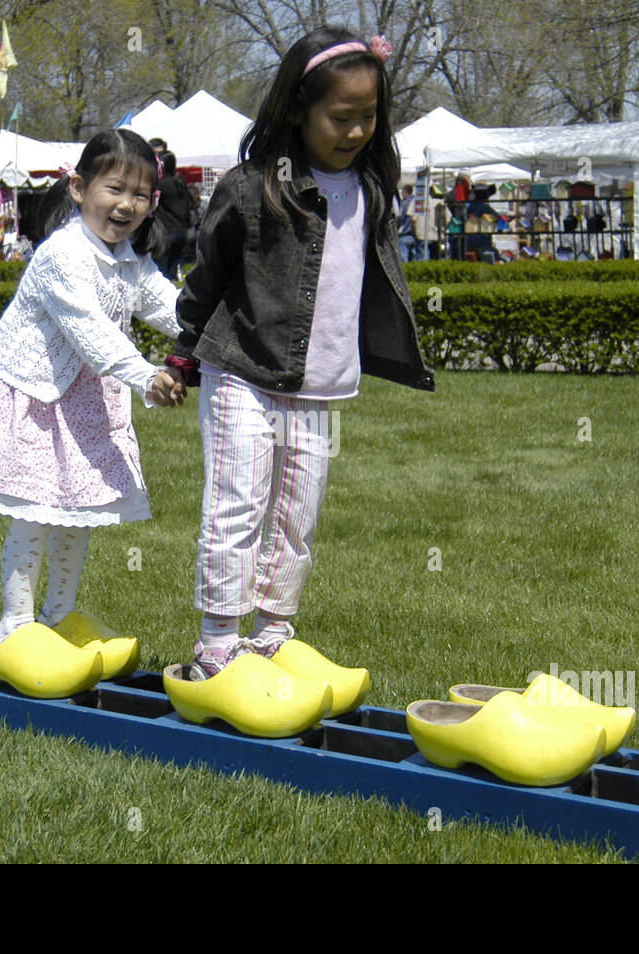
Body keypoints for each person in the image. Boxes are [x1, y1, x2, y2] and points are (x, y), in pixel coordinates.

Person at [171, 26, 435, 679]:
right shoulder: (252, 187)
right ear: (296, 108)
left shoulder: (371, 191)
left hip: (318, 385)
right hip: (241, 371)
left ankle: (273, 635)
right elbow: (206, 278)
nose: (354, 132)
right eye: (339, 118)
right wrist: (184, 353)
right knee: (238, 501)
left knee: (296, 515)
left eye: (367, 118)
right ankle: (216, 642)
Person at [0, 128, 186, 645]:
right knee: (35, 516)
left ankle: (59, 617)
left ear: (153, 202)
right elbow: (91, 332)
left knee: (79, 517)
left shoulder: (127, 259)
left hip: (86, 407)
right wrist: (148, 376)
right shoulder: (62, 255)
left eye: (140, 195)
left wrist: (214, 331)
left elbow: (169, 307)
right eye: (114, 189)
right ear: (78, 188)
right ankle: (17, 626)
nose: (126, 205)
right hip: (36, 400)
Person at [153, 150, 192, 280]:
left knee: (161, 272)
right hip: (182, 231)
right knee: (172, 269)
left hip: (166, 231)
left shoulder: (161, 185)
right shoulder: (180, 181)